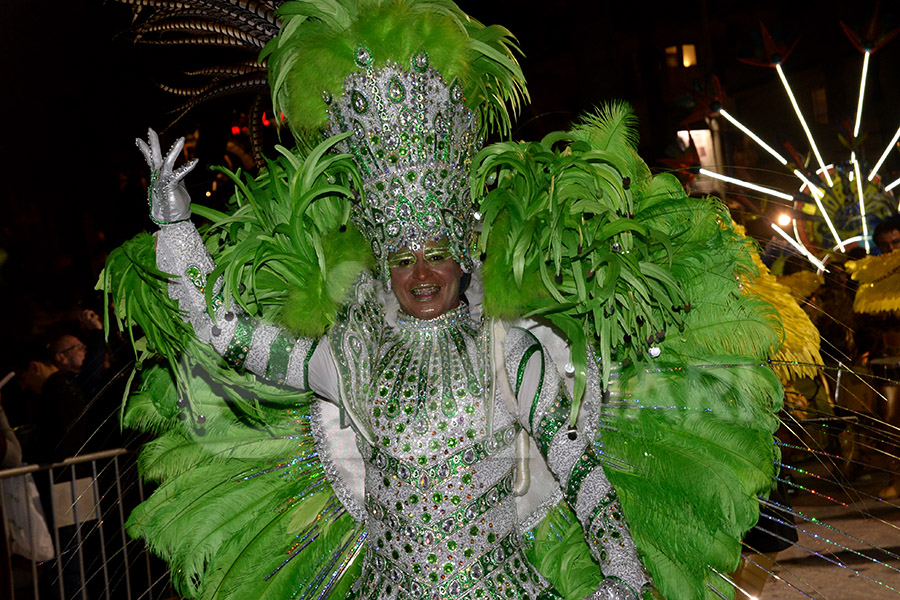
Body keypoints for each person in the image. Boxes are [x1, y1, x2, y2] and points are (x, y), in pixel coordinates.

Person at [107, 2, 783, 600]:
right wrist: (176, 231)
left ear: (463, 256)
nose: (421, 273)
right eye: (401, 259)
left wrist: (623, 572)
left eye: (436, 254)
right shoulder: (352, 354)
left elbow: (576, 462)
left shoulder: (506, 351)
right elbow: (234, 336)